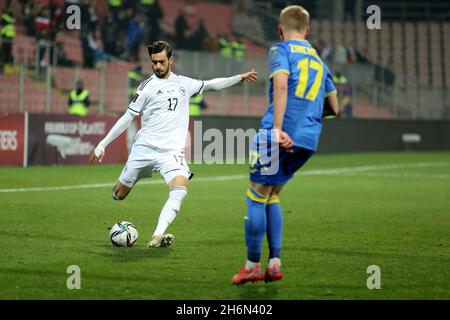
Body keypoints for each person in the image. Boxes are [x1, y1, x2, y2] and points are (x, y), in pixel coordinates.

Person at [89, 41, 258, 248]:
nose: (157, 66)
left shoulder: (184, 84)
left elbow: (212, 84)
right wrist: (103, 143)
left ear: (171, 60)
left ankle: (157, 235)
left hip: (171, 153)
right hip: (144, 149)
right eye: (154, 62)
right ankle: (125, 194)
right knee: (119, 195)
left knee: (179, 189)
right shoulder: (146, 87)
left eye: (161, 62)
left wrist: (239, 77)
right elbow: (127, 118)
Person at [231, 5, 339, 285]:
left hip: (278, 134)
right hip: (308, 140)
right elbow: (334, 107)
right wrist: (308, 118)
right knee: (273, 194)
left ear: (281, 29)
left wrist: (278, 128)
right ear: (308, 30)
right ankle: (274, 264)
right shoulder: (319, 61)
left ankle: (252, 266)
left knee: (255, 195)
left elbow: (281, 85)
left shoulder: (281, 50)